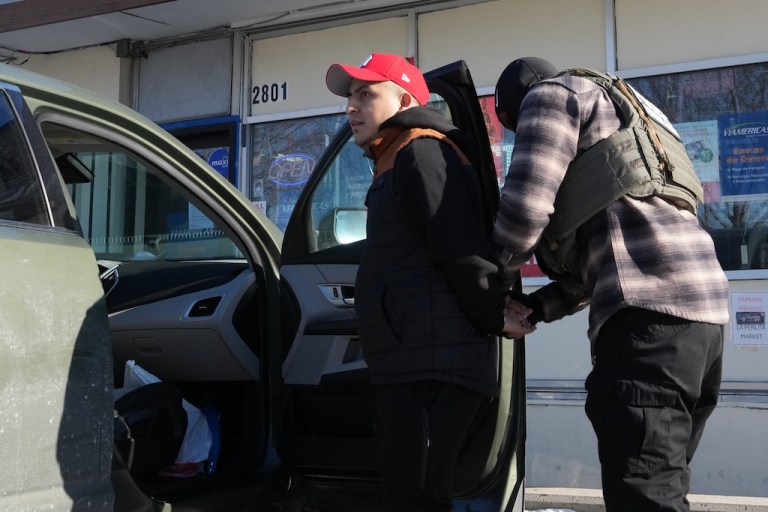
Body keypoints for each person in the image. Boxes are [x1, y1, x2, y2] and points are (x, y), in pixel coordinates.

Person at [492, 57, 730, 511]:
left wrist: (492, 292)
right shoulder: (640, 113)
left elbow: (523, 212)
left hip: (648, 323)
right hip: (705, 322)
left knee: (643, 496)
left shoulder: (550, 97)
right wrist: (538, 307)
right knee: (664, 487)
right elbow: (609, 254)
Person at [325, 53, 534, 512]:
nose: (351, 107)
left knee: (416, 497)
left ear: (403, 99)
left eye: (365, 94)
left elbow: (458, 247)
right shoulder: (395, 154)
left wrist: (492, 313)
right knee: (410, 494)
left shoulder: (422, 150)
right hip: (414, 360)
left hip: (433, 365)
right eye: (350, 97)